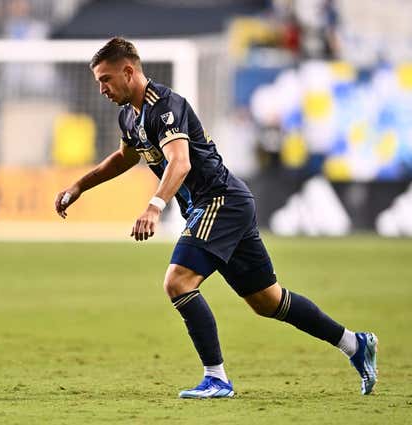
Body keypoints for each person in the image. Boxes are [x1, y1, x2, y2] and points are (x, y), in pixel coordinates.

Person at [54, 37, 378, 399]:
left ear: (129, 71)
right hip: (226, 204)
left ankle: (217, 379)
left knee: (177, 282)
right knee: (267, 301)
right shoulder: (130, 115)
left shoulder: (165, 106)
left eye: (106, 79)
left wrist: (154, 206)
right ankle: (355, 344)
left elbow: (181, 161)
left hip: (220, 201)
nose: (101, 89)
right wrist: (79, 185)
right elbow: (124, 158)